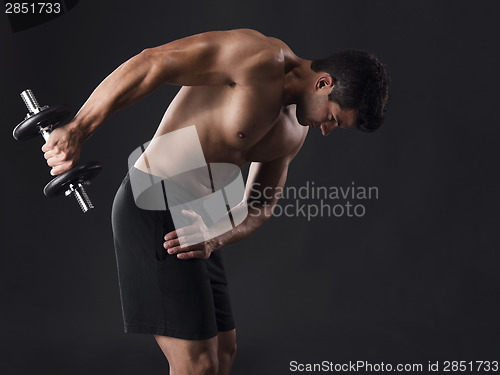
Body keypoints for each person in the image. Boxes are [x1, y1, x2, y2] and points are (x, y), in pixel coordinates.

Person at [41, 28, 389, 375]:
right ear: (324, 83)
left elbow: (260, 204)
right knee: (197, 366)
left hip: (200, 221)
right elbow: (153, 62)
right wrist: (78, 128)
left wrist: (216, 235)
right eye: (332, 118)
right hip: (154, 201)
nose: (326, 130)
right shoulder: (257, 57)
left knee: (223, 353)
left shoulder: (294, 132)